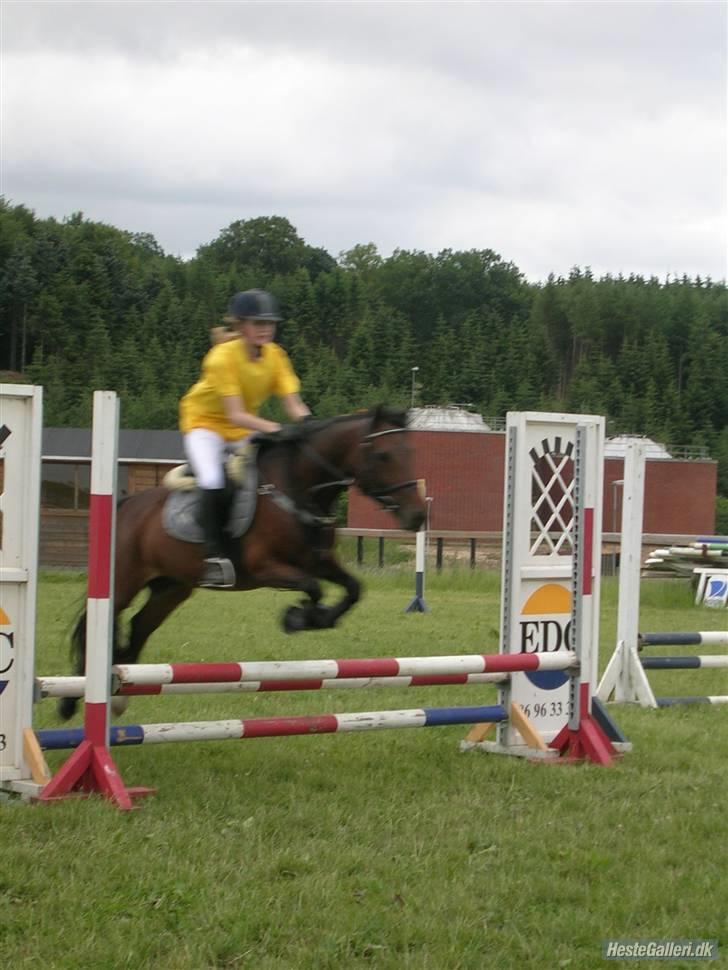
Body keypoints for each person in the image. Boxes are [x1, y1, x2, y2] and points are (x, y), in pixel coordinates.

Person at [179, 289, 310, 588]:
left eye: (270, 323)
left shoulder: (276, 356)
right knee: (213, 479)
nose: (265, 328)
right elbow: (236, 414)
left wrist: (307, 423)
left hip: (240, 430)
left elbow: (293, 403)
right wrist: (276, 429)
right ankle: (212, 557)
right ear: (240, 325)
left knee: (273, 468)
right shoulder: (221, 357)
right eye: (257, 322)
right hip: (204, 425)